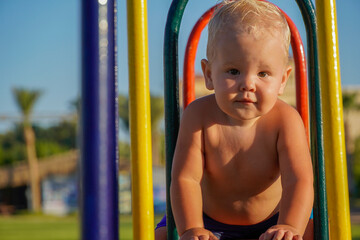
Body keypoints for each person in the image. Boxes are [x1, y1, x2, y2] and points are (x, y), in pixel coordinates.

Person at [156, 0, 314, 239]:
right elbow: (185, 178)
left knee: (312, 232)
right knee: (165, 234)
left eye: (263, 73)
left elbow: (299, 180)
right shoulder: (198, 116)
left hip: (274, 220)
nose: (248, 84)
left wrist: (289, 226)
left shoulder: (285, 120)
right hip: (206, 221)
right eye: (233, 71)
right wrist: (192, 228)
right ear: (209, 75)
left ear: (283, 80)